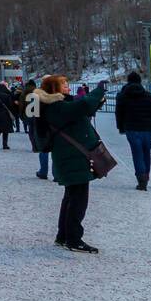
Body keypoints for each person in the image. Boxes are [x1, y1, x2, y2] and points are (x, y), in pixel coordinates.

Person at [34, 74, 107, 253]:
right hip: (73, 158)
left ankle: (64, 236)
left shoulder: (58, 105)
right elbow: (82, 106)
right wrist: (98, 90)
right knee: (78, 199)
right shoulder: (56, 106)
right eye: (63, 84)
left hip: (72, 157)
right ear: (54, 88)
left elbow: (80, 110)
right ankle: (74, 238)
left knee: (72, 196)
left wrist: (96, 101)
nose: (67, 86)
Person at [114, 72, 151, 190]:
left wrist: (120, 127)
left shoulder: (122, 96)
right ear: (140, 81)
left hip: (131, 128)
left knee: (137, 153)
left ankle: (141, 179)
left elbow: (119, 113)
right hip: (148, 129)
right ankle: (146, 175)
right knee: (146, 153)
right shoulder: (150, 96)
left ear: (128, 81)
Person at [0, 81, 15, 149]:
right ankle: (5, 144)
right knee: (5, 131)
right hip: (5, 115)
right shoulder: (7, 96)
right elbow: (11, 106)